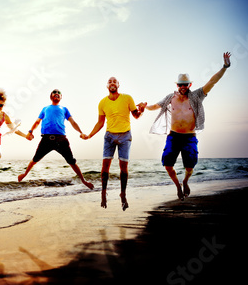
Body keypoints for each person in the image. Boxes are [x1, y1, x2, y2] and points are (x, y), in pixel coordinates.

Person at [145, 52, 231, 200]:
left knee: (190, 167)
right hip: (173, 136)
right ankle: (178, 185)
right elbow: (155, 106)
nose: (183, 87)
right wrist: (145, 107)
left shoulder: (197, 95)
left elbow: (212, 82)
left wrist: (224, 67)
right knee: (167, 165)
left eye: (185, 84)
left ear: (189, 85)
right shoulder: (170, 97)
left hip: (189, 137)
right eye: (180, 85)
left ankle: (185, 181)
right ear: (177, 85)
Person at [82, 77, 145, 211]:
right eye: (110, 81)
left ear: (118, 85)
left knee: (123, 167)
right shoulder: (102, 103)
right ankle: (103, 193)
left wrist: (142, 110)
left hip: (125, 136)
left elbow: (136, 115)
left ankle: (123, 194)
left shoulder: (127, 98)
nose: (112, 83)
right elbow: (100, 123)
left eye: (114, 81)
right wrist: (89, 135)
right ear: (107, 86)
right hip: (109, 136)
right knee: (105, 167)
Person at [18, 89, 94, 190]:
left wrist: (81, 132)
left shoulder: (64, 109)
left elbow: (73, 122)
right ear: (51, 96)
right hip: (46, 139)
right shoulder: (45, 108)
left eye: (59, 93)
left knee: (71, 161)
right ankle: (24, 174)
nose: (57, 94)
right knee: (35, 159)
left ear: (61, 97)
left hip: (61, 139)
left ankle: (84, 180)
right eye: (55, 92)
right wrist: (30, 131)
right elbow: (37, 122)